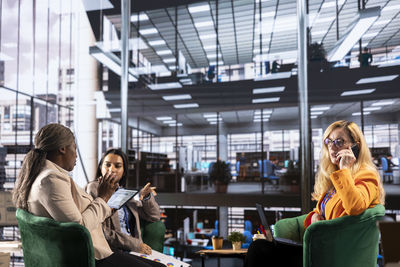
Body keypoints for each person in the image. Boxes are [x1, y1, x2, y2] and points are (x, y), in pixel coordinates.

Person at [12, 124, 164, 267]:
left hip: (91, 251)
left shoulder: (49, 176)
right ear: (63, 149)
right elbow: (79, 229)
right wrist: (103, 198)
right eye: (75, 148)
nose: (76, 155)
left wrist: (106, 205)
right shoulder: (51, 179)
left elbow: (79, 218)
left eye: (118, 166)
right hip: (91, 256)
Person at [244, 120, 385, 267]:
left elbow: (354, 206)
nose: (332, 147)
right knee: (260, 248)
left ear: (356, 146)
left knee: (259, 251)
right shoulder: (336, 177)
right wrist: (316, 217)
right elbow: (320, 211)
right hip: (321, 247)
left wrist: (345, 170)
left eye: (339, 141)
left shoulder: (366, 175)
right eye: (329, 141)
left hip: (336, 255)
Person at [86, 148, 162, 259]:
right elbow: (101, 231)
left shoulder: (124, 194)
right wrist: (134, 244)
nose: (111, 169)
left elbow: (154, 216)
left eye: (117, 166)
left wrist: (146, 198)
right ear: (101, 167)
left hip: (134, 251)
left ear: (124, 171)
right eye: (107, 165)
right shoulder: (94, 189)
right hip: (113, 251)